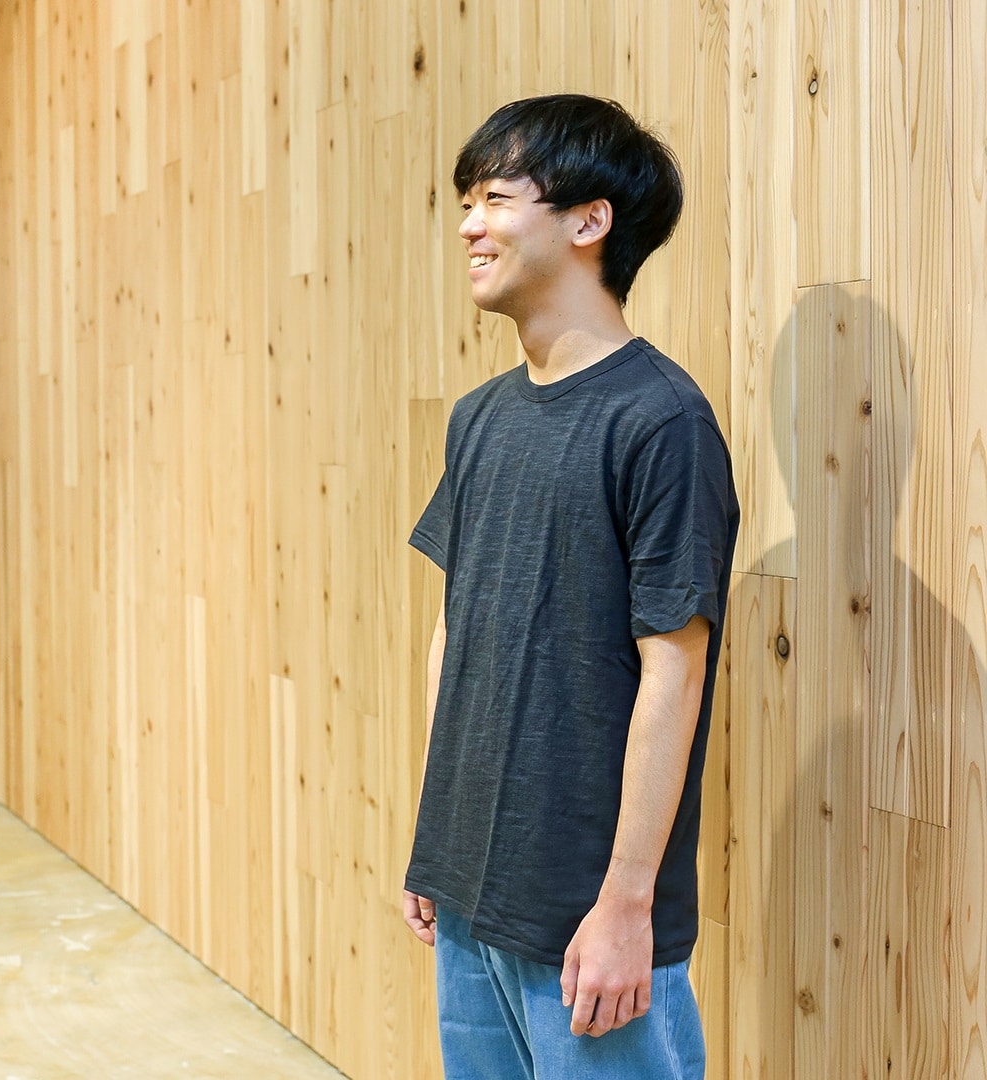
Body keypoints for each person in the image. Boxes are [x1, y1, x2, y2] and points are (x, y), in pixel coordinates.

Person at [402, 94, 739, 1080]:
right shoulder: (478, 419)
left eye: (496, 198)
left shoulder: (661, 420)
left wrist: (628, 903)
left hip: (589, 914)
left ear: (590, 221)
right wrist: (436, 837)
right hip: (471, 890)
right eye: (466, 202)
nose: (469, 225)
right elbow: (455, 631)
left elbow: (674, 670)